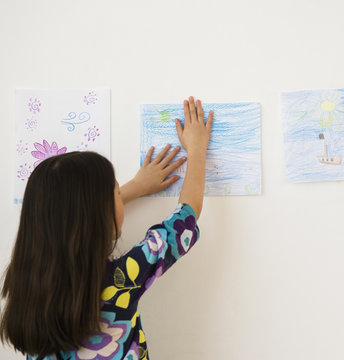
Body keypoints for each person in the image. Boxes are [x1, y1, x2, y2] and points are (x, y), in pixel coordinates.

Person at [0, 96, 213, 360]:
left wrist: (136, 186)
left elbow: (72, 214)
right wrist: (197, 149)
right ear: (101, 214)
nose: (120, 192)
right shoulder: (122, 278)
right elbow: (186, 217)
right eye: (116, 190)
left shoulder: (26, 283)